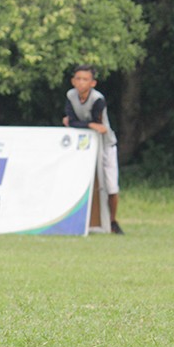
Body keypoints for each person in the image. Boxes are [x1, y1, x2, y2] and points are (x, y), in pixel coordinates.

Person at [63, 64, 122, 235]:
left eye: (85, 79)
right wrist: (89, 125)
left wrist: (82, 124)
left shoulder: (98, 99)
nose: (81, 83)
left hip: (106, 144)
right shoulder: (70, 96)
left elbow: (99, 126)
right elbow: (71, 121)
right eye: (78, 79)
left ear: (93, 83)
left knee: (111, 186)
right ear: (73, 81)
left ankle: (112, 221)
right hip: (85, 145)